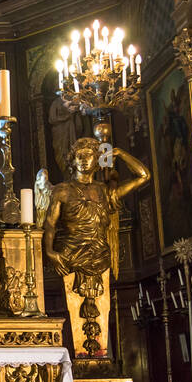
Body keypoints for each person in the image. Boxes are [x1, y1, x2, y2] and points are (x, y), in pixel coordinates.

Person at [42, 136, 149, 358]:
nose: (83, 160)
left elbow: (143, 176)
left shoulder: (105, 192)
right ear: (72, 160)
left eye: (88, 155)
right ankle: (81, 359)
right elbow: (50, 225)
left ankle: (96, 357)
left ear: (97, 159)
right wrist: (50, 251)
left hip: (100, 256)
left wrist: (118, 153)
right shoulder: (61, 190)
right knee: (75, 311)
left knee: (101, 309)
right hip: (70, 256)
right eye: (78, 156)